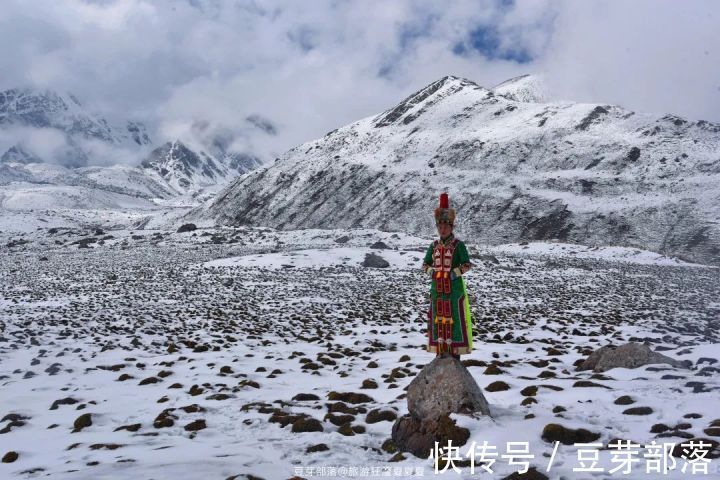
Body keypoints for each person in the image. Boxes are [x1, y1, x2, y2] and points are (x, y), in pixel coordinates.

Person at [422, 192, 473, 359]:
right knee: (438, 320)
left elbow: (467, 265)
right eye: (440, 227)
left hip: (454, 291)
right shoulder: (434, 246)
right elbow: (425, 264)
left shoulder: (459, 246)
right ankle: (439, 352)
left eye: (445, 227)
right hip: (437, 291)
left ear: (451, 227)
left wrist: (453, 274)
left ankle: (455, 353)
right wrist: (432, 272)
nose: (442, 230)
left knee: (455, 321)